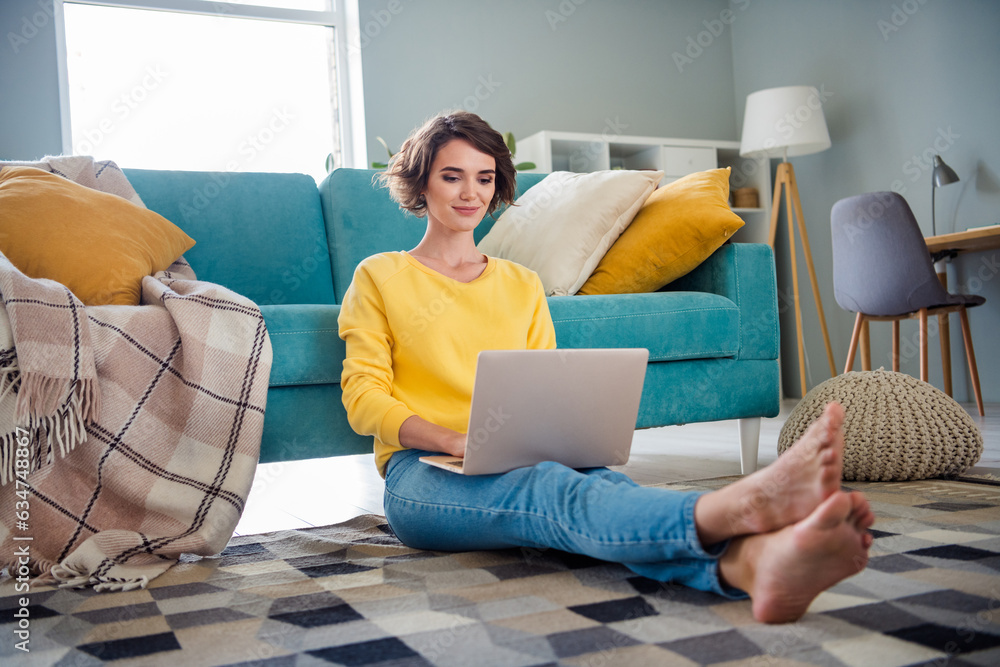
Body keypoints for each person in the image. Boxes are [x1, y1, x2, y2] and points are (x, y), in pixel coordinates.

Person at [338, 110, 875, 624]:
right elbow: (363, 396)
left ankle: (750, 567)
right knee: (550, 491)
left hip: (519, 457)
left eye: (484, 177)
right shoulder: (381, 275)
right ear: (421, 183)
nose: (470, 193)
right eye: (452, 176)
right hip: (422, 476)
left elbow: (543, 386)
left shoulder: (520, 283)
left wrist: (551, 435)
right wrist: (451, 439)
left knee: (596, 490)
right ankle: (732, 508)